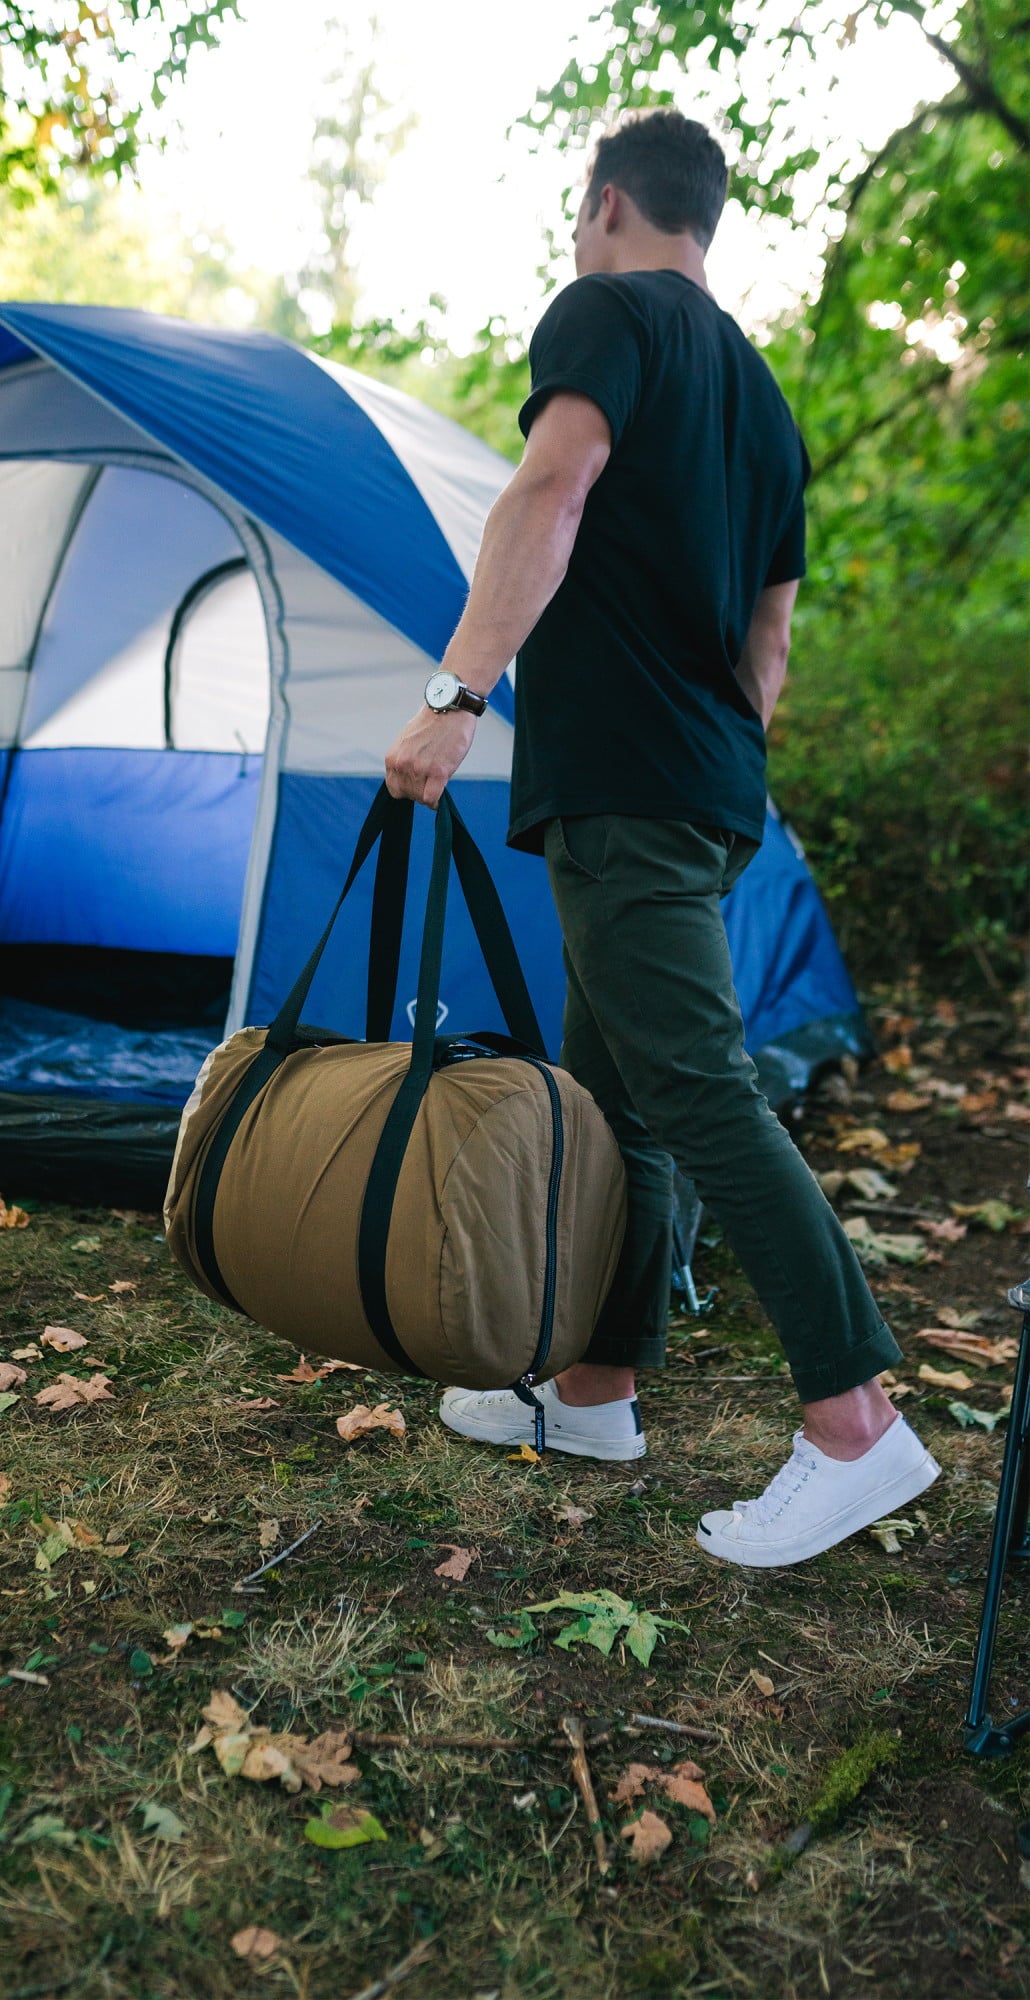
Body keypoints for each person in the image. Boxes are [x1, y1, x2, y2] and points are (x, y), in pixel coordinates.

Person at [383, 107, 939, 1568]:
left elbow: (550, 485)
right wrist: (722, 773)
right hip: (704, 789)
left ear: (608, 202)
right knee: (612, 1097)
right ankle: (592, 1389)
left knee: (696, 1091)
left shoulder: (604, 311)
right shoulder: (764, 402)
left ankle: (852, 1421)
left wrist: (457, 694)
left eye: (583, 214)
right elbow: (770, 647)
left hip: (624, 785)